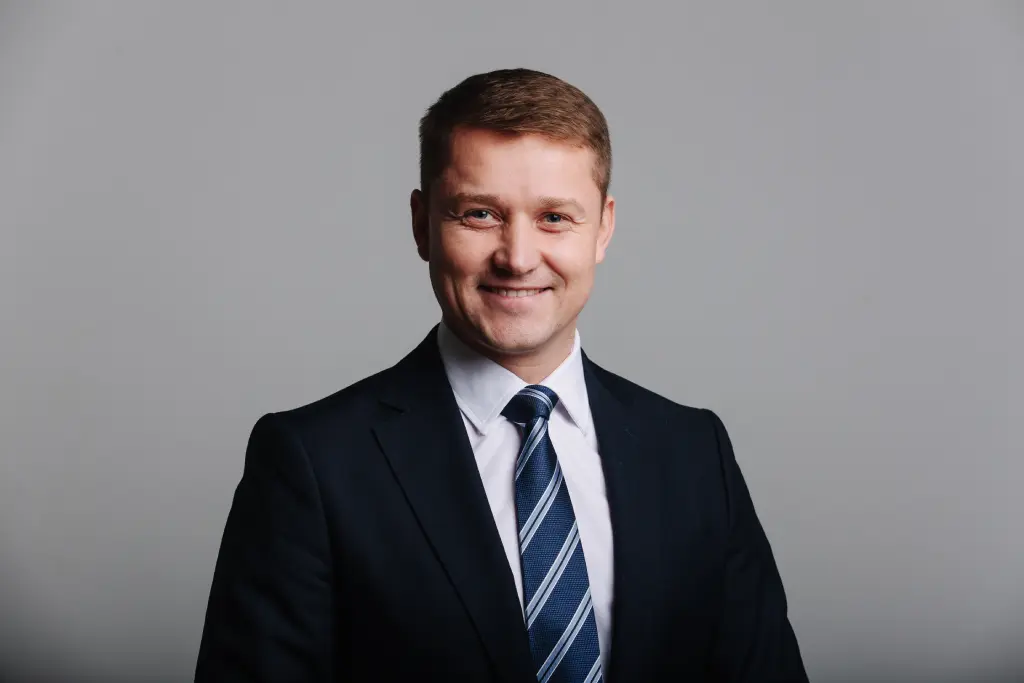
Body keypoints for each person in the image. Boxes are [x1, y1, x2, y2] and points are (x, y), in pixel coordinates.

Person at [195, 68, 808, 682]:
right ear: (422, 224)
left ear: (603, 228)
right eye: (480, 214)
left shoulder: (694, 452)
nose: (517, 258)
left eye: (554, 218)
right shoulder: (313, 462)